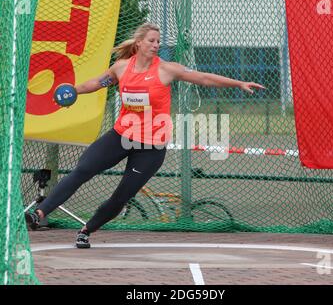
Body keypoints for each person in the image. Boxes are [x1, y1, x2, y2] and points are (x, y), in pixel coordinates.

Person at [25, 22, 265, 248]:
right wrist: (74, 91)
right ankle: (39, 213)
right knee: (82, 170)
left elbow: (203, 78)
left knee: (122, 195)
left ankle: (86, 230)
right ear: (139, 43)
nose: (156, 44)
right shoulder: (121, 67)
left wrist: (238, 83)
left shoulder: (166, 70)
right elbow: (97, 83)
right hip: (121, 136)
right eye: (151, 40)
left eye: (158, 41)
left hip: (151, 147)